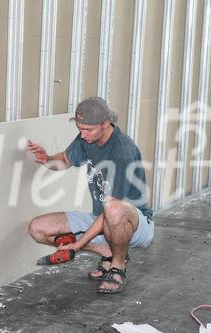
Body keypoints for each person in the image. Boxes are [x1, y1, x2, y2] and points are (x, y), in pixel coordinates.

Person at [27, 96, 154, 294]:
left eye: (88, 130)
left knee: (112, 208)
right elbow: (65, 160)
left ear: (105, 124)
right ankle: (107, 252)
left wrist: (76, 245)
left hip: (135, 224)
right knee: (38, 228)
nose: (83, 134)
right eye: (80, 129)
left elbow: (112, 210)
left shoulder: (122, 150)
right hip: (101, 220)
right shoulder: (87, 139)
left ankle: (118, 267)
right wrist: (47, 159)